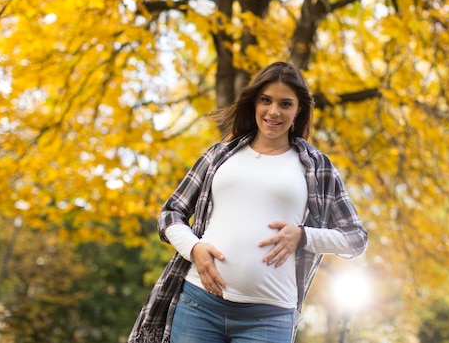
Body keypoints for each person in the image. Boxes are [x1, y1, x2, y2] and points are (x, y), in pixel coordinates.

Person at [128, 61, 368, 343]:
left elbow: (356, 239)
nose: (274, 111)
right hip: (198, 306)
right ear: (254, 101)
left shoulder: (316, 166)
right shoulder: (219, 156)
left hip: (270, 317)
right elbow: (170, 214)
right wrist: (194, 248)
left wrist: (303, 236)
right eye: (266, 100)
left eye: (285, 104)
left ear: (299, 109)